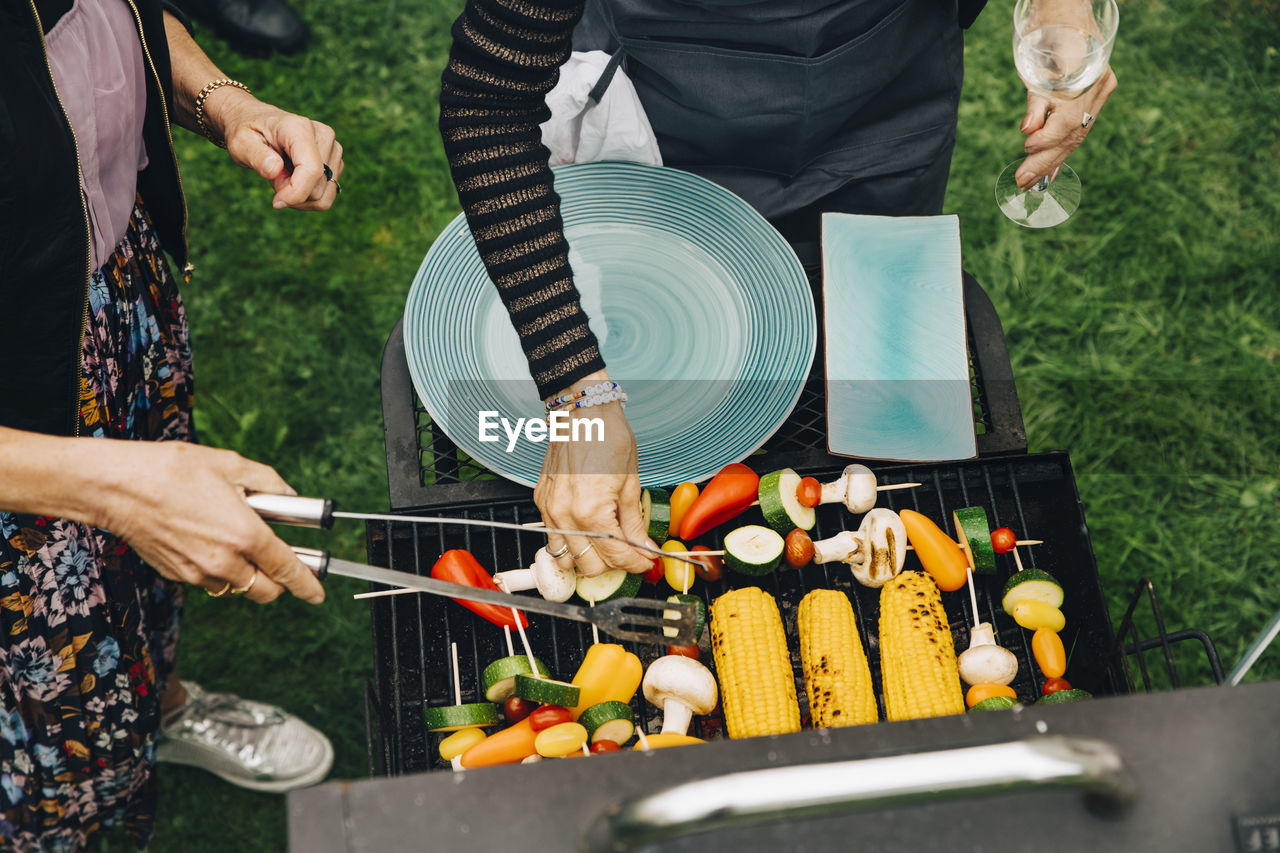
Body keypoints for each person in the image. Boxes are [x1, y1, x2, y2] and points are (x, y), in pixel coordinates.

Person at [438, 0, 1116, 577]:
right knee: (669, 354)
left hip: (889, 101)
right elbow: (487, 105)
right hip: (672, 118)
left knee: (887, 399)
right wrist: (579, 392)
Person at [0, 0, 344, 848]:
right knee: (50, 709)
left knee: (144, 579)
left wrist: (228, 103)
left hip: (110, 301)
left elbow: (106, 24)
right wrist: (115, 487)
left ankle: (160, 700)